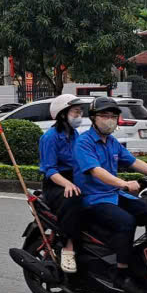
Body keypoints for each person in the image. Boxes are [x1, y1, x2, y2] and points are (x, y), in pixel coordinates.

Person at [72, 97, 147, 293]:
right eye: (104, 115)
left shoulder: (112, 142)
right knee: (126, 222)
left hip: (114, 194)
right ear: (93, 118)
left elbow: (134, 162)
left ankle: (144, 259)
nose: (109, 120)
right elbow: (95, 170)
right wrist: (124, 184)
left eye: (113, 116)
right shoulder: (83, 142)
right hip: (93, 199)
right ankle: (121, 273)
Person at [38, 94, 90, 273]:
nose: (79, 115)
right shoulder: (50, 137)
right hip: (56, 183)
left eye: (80, 111)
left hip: (75, 178)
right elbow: (50, 169)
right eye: (75, 111)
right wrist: (67, 184)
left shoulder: (75, 134)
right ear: (62, 114)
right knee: (74, 198)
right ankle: (68, 247)